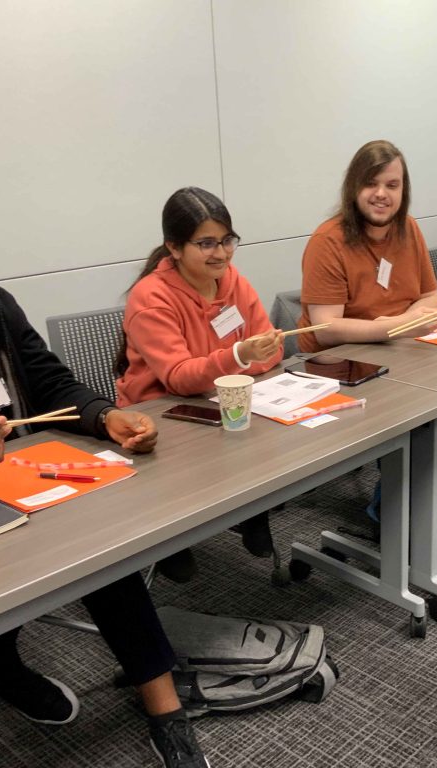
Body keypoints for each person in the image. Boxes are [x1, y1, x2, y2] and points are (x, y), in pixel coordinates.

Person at [0, 194, 208, 768]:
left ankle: (163, 709)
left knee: (103, 545)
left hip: (19, 475)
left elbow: (53, 384)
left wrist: (105, 416)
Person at [298, 139, 437, 511]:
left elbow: (430, 300)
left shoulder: (409, 229)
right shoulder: (329, 240)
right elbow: (324, 329)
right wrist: (398, 326)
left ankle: (412, 489)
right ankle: (394, 505)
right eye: (372, 184)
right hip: (339, 364)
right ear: (354, 187)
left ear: (404, 190)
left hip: (402, 353)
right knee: (423, 412)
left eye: (392, 185)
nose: (381, 194)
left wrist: (400, 325)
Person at [116, 187, 283, 573]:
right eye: (206, 243)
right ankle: (170, 539)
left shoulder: (232, 281)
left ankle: (253, 511)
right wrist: (239, 358)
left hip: (219, 405)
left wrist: (235, 365)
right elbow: (178, 378)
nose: (221, 253)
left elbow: (272, 349)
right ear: (174, 248)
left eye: (227, 240)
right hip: (160, 414)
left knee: (275, 440)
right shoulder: (150, 297)